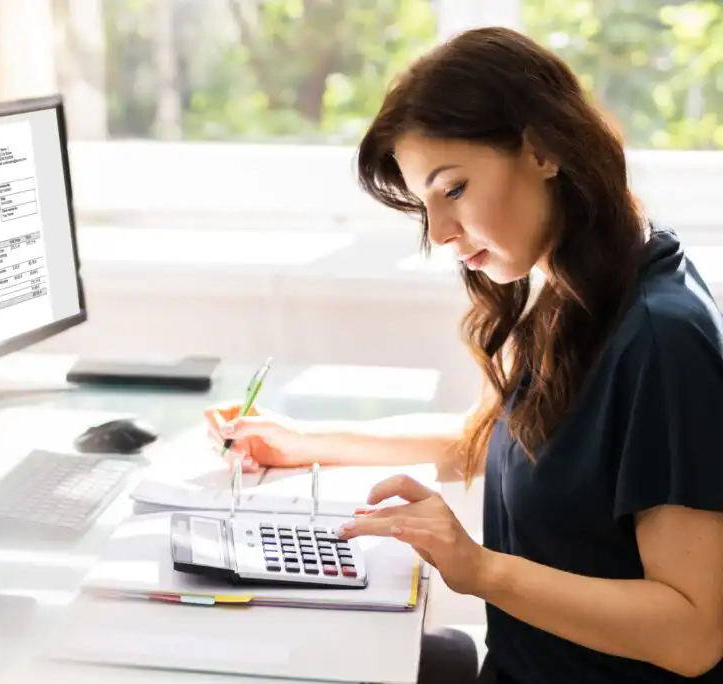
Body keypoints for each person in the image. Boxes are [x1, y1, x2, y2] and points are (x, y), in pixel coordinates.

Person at [205, 26, 723, 684]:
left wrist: (478, 569)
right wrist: (306, 442)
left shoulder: (660, 339)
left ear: (542, 150)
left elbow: (693, 632)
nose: (442, 235)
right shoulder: (578, 281)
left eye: (453, 190)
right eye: (425, 205)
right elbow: (505, 441)